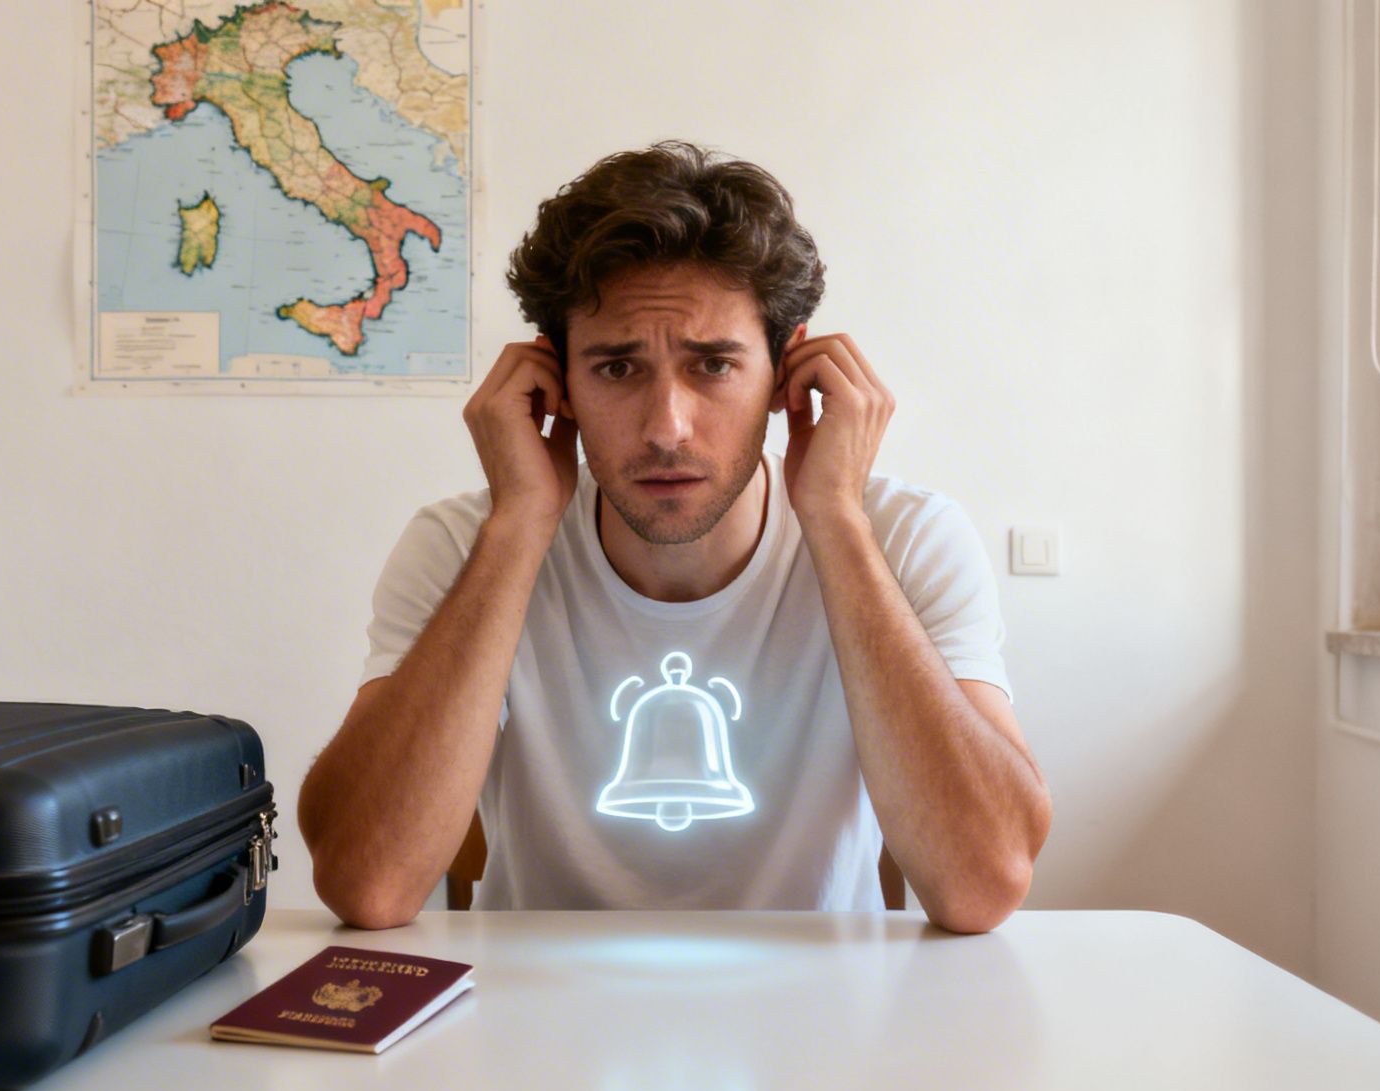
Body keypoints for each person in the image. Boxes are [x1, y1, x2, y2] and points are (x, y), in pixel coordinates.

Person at [298, 141, 1050, 933]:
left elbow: (981, 885)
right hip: (528, 1020)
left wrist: (835, 521)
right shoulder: (464, 542)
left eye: (714, 365)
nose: (666, 429)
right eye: (618, 369)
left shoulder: (907, 537)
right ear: (557, 382)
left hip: (829, 1016)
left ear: (787, 375)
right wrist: (519, 527)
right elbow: (368, 883)